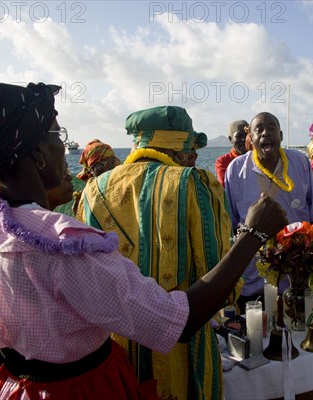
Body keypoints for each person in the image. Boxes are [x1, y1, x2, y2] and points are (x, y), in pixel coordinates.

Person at [0, 81, 288, 400]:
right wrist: (253, 234)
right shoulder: (64, 246)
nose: (64, 143)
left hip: (14, 387)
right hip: (88, 387)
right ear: (37, 152)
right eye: (57, 132)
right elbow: (179, 321)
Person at [77, 106, 235, 400]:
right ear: (179, 149)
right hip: (181, 349)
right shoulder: (192, 184)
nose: (195, 157)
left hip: (114, 351)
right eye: (191, 149)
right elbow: (220, 282)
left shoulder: (90, 191)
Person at [225, 112, 313, 313]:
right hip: (254, 278)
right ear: (251, 139)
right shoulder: (235, 170)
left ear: (280, 135)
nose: (265, 134)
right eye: (259, 130)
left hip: (298, 276)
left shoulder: (299, 162)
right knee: (259, 337)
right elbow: (230, 225)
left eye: (271, 128)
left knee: (300, 331)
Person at [215, 119, 248, 186]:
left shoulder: (258, 157)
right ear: (231, 139)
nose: (243, 139)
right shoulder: (223, 162)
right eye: (239, 136)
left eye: (246, 135)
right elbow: (226, 186)